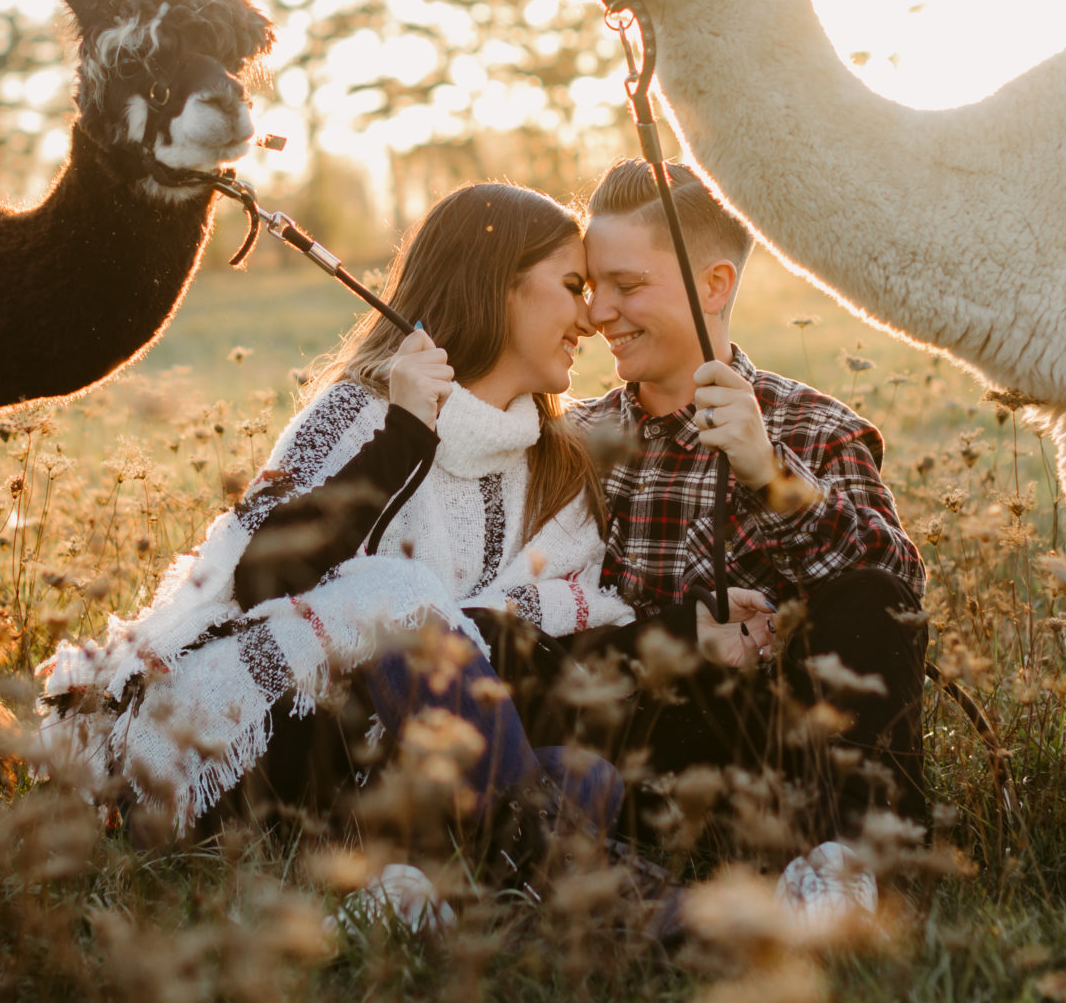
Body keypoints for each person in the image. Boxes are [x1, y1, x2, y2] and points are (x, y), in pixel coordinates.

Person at [37, 183, 635, 885]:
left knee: (585, 779)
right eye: (573, 285)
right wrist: (405, 433)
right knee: (395, 591)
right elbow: (259, 574)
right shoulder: (365, 409)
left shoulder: (555, 467)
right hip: (270, 734)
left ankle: (459, 877)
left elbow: (560, 622)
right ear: (499, 283)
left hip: (409, 754)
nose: (590, 318)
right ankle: (554, 874)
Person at [569, 159, 929, 871]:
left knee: (868, 597)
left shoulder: (819, 428)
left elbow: (895, 598)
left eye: (628, 285)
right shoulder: (577, 442)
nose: (598, 312)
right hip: (638, 765)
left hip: (791, 769)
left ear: (715, 284)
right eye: (590, 286)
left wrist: (769, 477)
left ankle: (842, 871)